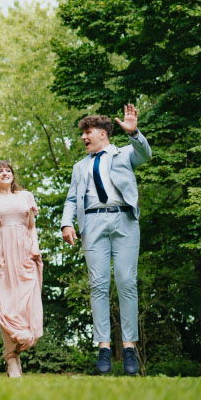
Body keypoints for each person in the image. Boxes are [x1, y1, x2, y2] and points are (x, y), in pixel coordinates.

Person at [61, 104, 151, 375]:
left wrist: (134, 133)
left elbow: (145, 154)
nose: (83, 137)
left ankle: (129, 348)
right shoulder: (80, 166)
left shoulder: (123, 154)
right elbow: (72, 198)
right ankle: (103, 347)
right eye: (82, 133)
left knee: (126, 281)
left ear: (102, 133)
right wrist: (67, 222)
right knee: (98, 284)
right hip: (93, 223)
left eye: (87, 132)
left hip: (124, 220)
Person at [0, 161, 43, 378]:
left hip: (25, 253)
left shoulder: (26, 196)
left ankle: (21, 345)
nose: (4, 173)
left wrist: (35, 245)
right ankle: (11, 358)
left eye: (8, 170)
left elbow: (31, 226)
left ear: (13, 176)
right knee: (5, 304)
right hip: (1, 254)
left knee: (27, 301)